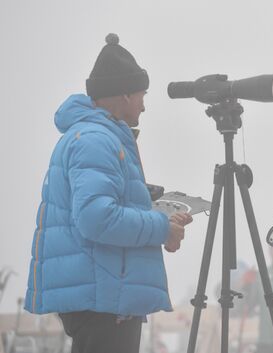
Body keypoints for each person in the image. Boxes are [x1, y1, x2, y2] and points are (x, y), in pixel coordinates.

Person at [24, 33, 192, 353]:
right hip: (104, 299)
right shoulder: (96, 140)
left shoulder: (92, 136)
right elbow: (96, 218)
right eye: (142, 94)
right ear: (125, 95)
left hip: (104, 295)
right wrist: (160, 227)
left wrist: (150, 210)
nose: (144, 103)